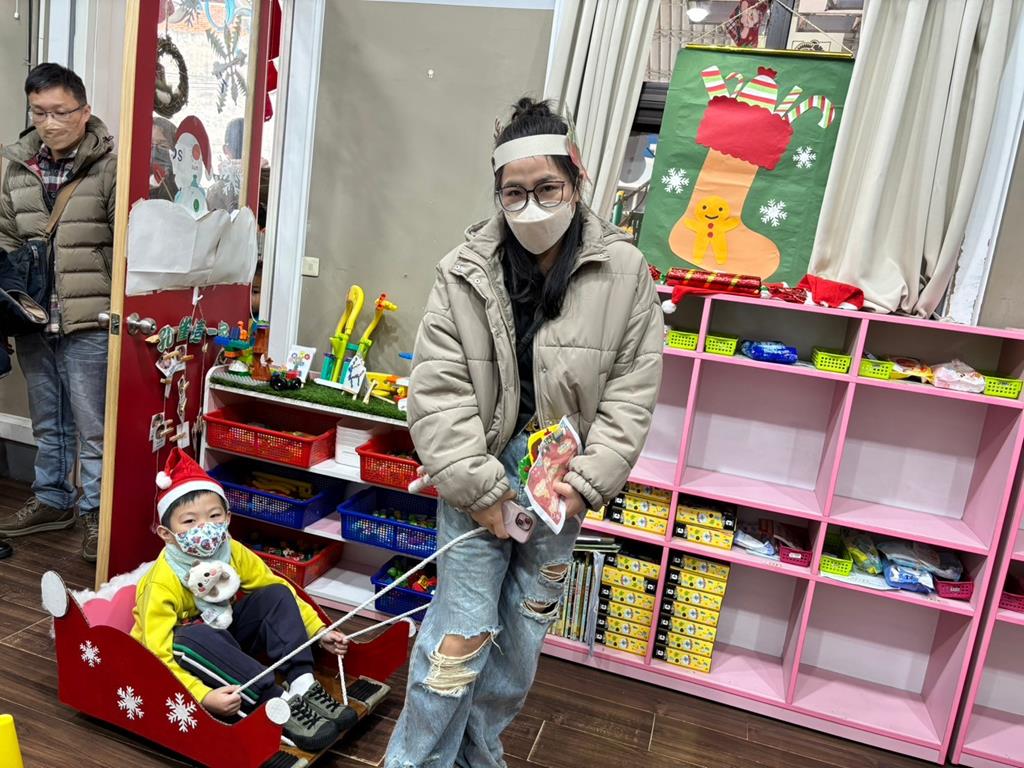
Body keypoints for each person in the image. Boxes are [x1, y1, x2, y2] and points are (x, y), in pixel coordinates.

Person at [384, 98, 664, 768]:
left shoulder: (625, 271)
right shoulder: (463, 270)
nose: (531, 206)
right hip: (478, 471)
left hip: (561, 480)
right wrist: (479, 490)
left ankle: (477, 757)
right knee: (461, 636)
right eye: (515, 192)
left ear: (578, 180)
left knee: (520, 640)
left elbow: (632, 389)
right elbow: (438, 389)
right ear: (498, 193)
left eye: (547, 188)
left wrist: (589, 481)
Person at [131, 448, 352, 752]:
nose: (204, 528)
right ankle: (276, 701)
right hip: (188, 652)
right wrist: (201, 696)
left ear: (227, 518)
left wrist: (317, 631)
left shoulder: (230, 549)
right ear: (166, 534)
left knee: (276, 593)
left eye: (214, 516)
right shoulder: (161, 581)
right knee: (191, 636)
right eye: (189, 521)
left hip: (228, 636)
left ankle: (302, 682)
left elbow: (272, 585)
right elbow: (156, 653)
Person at [0, 63, 117, 562]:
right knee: (48, 420)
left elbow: (126, 245)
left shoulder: (111, 167)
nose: (50, 123)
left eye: (61, 112)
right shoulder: (16, 166)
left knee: (94, 426)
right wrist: (12, 302)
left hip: (90, 317)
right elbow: (6, 239)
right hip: (33, 317)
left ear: (84, 111)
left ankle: (95, 512)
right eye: (39, 112)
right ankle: (52, 499)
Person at [150, 115, 179, 201]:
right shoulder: (134, 178)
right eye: (150, 144)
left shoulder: (179, 185)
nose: (154, 152)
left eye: (163, 146)